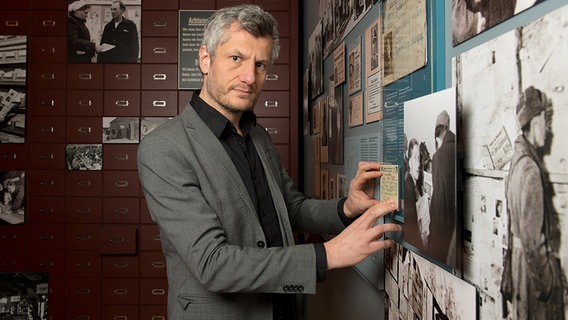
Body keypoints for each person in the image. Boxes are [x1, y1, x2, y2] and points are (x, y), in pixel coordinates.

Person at [137, 5, 401, 319]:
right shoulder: (163, 148)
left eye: (260, 64)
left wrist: (347, 208)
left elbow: (291, 209)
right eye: (236, 58)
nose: (249, 77)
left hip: (283, 306)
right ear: (205, 59)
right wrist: (328, 254)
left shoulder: (257, 135)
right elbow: (213, 264)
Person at [502, 86, 564, 319]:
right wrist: (548, 284)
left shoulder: (517, 163)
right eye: (545, 121)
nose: (548, 130)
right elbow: (533, 241)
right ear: (535, 121)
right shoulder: (530, 170)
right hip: (533, 276)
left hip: (521, 268)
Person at [428, 110, 456, 265]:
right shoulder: (458, 147)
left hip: (443, 236)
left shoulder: (439, 157)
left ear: (439, 130)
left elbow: (438, 206)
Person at [404, 138, 430, 251]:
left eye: (419, 158)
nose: (418, 164)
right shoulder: (409, 186)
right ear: (409, 161)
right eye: (415, 158)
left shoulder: (415, 185)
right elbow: (412, 228)